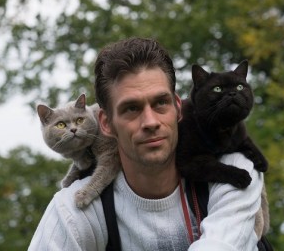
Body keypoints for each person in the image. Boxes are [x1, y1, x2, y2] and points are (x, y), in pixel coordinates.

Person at [28, 37, 263, 250]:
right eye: (131, 108)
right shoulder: (75, 208)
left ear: (178, 109)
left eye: (161, 103)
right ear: (106, 123)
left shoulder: (235, 169)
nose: (150, 122)